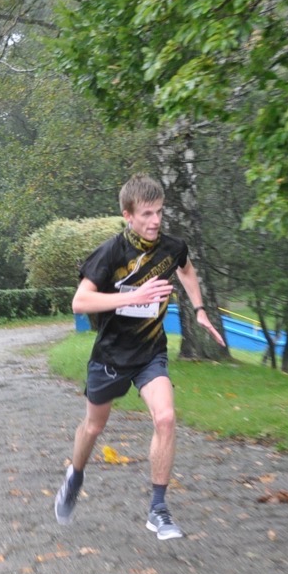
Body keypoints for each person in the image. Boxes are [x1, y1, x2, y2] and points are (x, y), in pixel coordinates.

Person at [54, 174, 226, 540]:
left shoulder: (172, 248)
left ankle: (158, 509)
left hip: (150, 353)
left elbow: (187, 269)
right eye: (147, 214)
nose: (155, 220)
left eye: (159, 212)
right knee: (94, 427)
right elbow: (79, 302)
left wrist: (198, 309)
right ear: (128, 215)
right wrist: (134, 296)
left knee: (165, 418)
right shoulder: (111, 253)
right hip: (111, 356)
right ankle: (75, 475)